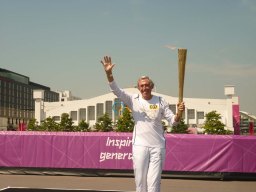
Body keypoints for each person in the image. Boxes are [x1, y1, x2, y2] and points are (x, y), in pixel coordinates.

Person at [101, 56, 185, 192]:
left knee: (154, 183)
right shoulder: (133, 99)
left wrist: (179, 113)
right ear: (138, 87)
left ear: (152, 86)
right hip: (139, 146)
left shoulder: (161, 101)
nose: (145, 88)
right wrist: (109, 73)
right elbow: (116, 90)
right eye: (142, 85)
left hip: (157, 146)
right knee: (140, 183)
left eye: (147, 85)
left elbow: (174, 122)